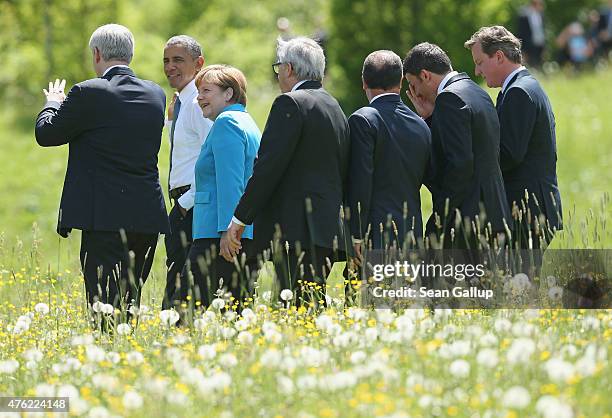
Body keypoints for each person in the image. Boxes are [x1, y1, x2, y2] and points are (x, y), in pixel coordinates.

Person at [34, 24, 169, 309]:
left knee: (103, 304)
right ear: (130, 54)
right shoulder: (156, 93)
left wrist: (52, 103)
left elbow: (47, 135)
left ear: (96, 54)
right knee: (130, 300)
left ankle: (109, 350)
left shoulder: (88, 92)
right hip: (146, 214)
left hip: (104, 217)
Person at [222, 37, 350, 305]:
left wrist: (240, 219)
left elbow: (268, 167)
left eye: (278, 66)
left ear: (289, 69)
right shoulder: (334, 106)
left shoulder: (289, 103)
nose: (278, 73)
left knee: (294, 305)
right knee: (310, 303)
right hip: (326, 227)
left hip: (295, 230)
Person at [403, 42, 512, 249]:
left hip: (468, 218)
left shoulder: (449, 98)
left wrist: (440, 216)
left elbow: (459, 164)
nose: (415, 94)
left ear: (425, 75)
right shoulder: (475, 90)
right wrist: (429, 118)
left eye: (413, 85)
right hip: (494, 211)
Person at [464, 26, 562, 252]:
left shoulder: (519, 91)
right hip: (532, 208)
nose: (477, 71)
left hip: (528, 210)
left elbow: (509, 154)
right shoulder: (523, 86)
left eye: (479, 62)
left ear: (498, 57)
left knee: (520, 283)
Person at [176, 65, 261, 309]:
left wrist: (229, 230)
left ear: (228, 94)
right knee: (235, 311)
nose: (199, 97)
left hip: (217, 235)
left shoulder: (227, 123)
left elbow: (230, 182)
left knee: (186, 310)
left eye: (206, 91)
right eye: (198, 91)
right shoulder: (246, 121)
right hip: (232, 232)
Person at [348, 50, 431, 255]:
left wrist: (356, 233)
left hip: (374, 233)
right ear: (401, 82)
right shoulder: (421, 124)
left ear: (364, 82)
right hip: (411, 231)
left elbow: (360, 180)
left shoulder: (363, 120)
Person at [161, 35, 213, 310]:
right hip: (183, 202)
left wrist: (184, 204)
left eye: (178, 60)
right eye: (166, 61)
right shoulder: (181, 102)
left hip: (191, 204)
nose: (170, 67)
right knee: (178, 285)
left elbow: (211, 157)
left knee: (181, 293)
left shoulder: (198, 102)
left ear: (198, 64)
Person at [517, 0, 546, 68]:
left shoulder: (541, 15)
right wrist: (522, 49)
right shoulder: (523, 15)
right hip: (528, 45)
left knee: (538, 65)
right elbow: (521, 32)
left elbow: (543, 31)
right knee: (529, 66)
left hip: (539, 44)